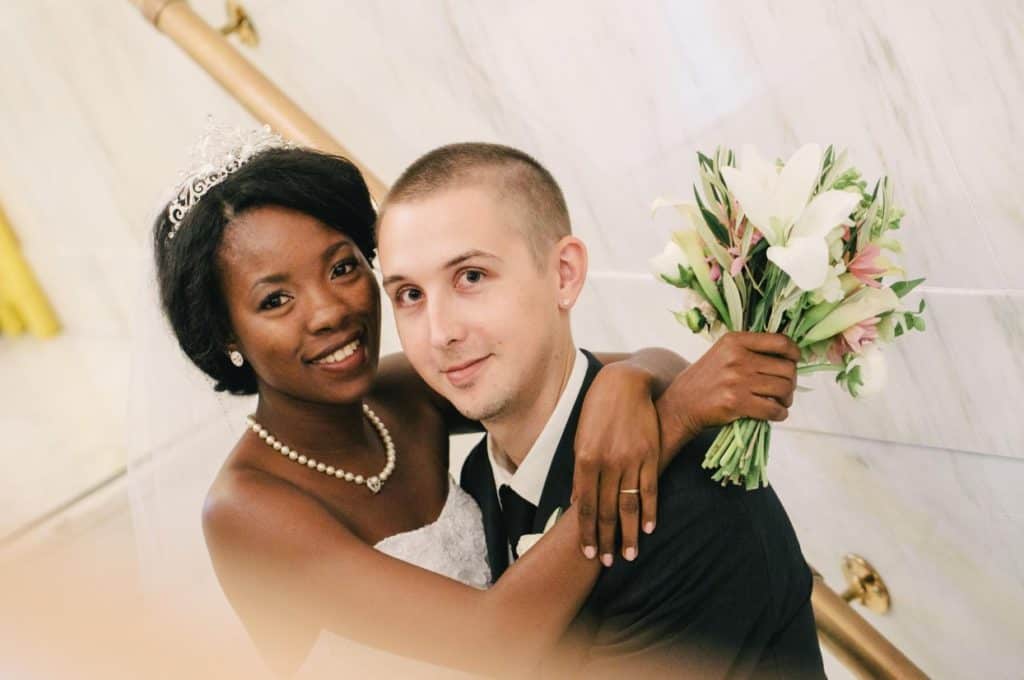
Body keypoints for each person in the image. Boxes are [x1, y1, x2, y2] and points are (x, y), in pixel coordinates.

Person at [151, 128, 788, 677]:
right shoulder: (244, 508)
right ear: (227, 335)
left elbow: (626, 368)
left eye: (343, 268)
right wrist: (672, 419)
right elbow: (492, 642)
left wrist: (631, 384)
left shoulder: (401, 396)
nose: (328, 312)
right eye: (275, 300)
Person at [376, 142, 827, 677]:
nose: (440, 333)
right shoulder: (479, 475)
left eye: (471, 277)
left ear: (564, 274)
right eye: (408, 294)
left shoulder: (693, 510)